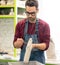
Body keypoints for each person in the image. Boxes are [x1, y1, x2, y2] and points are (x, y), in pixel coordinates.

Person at [13, 0, 50, 64]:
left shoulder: (44, 25)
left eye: (32, 13)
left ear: (37, 11)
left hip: (38, 61)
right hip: (23, 61)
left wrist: (33, 45)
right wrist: (18, 43)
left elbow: (46, 45)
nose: (30, 16)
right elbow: (15, 45)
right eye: (27, 13)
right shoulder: (20, 25)